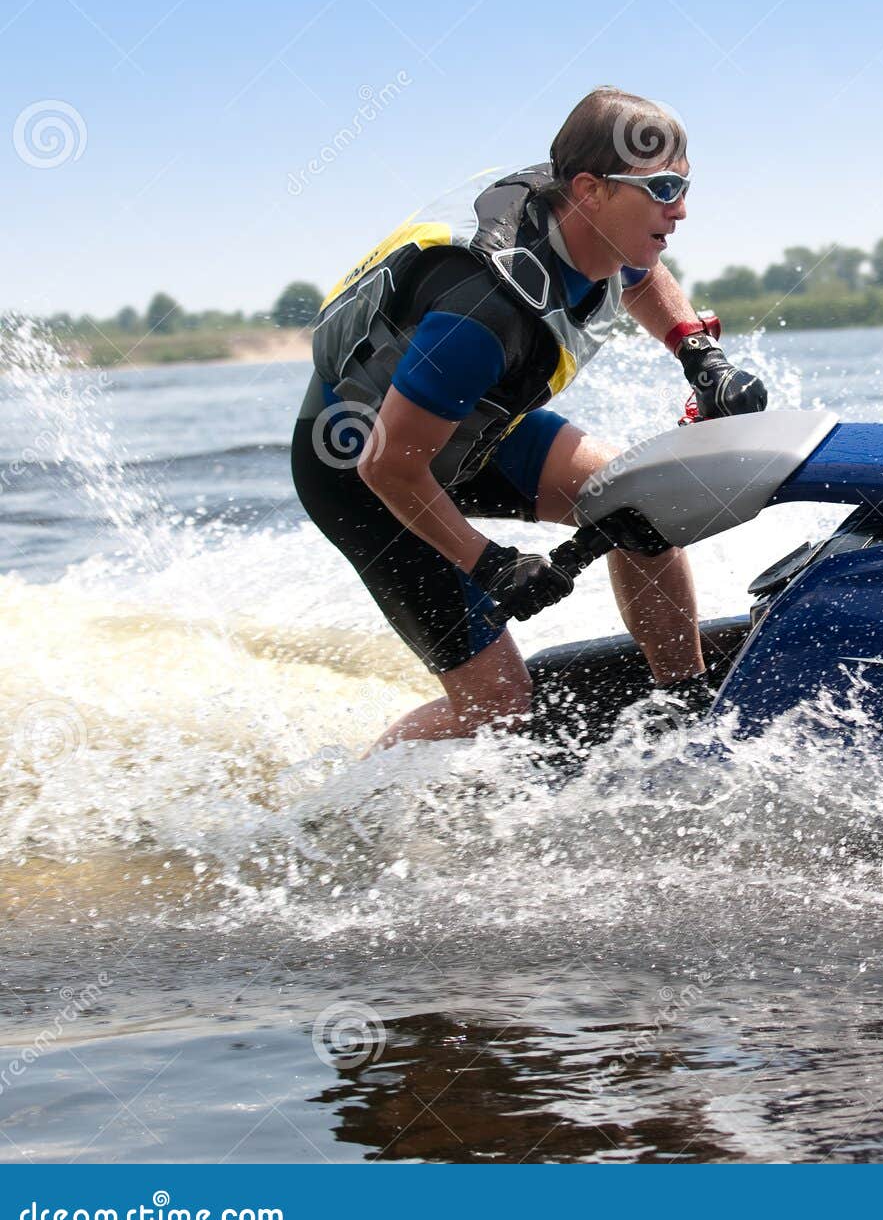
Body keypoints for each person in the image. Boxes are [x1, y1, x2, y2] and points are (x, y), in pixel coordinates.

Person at [290, 88, 768, 749]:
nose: (679, 210)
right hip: (365, 473)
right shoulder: (483, 315)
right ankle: (348, 817)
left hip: (469, 435)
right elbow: (388, 464)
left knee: (641, 508)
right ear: (589, 189)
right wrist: (489, 565)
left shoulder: (593, 218)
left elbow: (640, 272)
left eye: (683, 188)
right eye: (660, 190)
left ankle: (684, 713)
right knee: (496, 708)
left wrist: (697, 352)